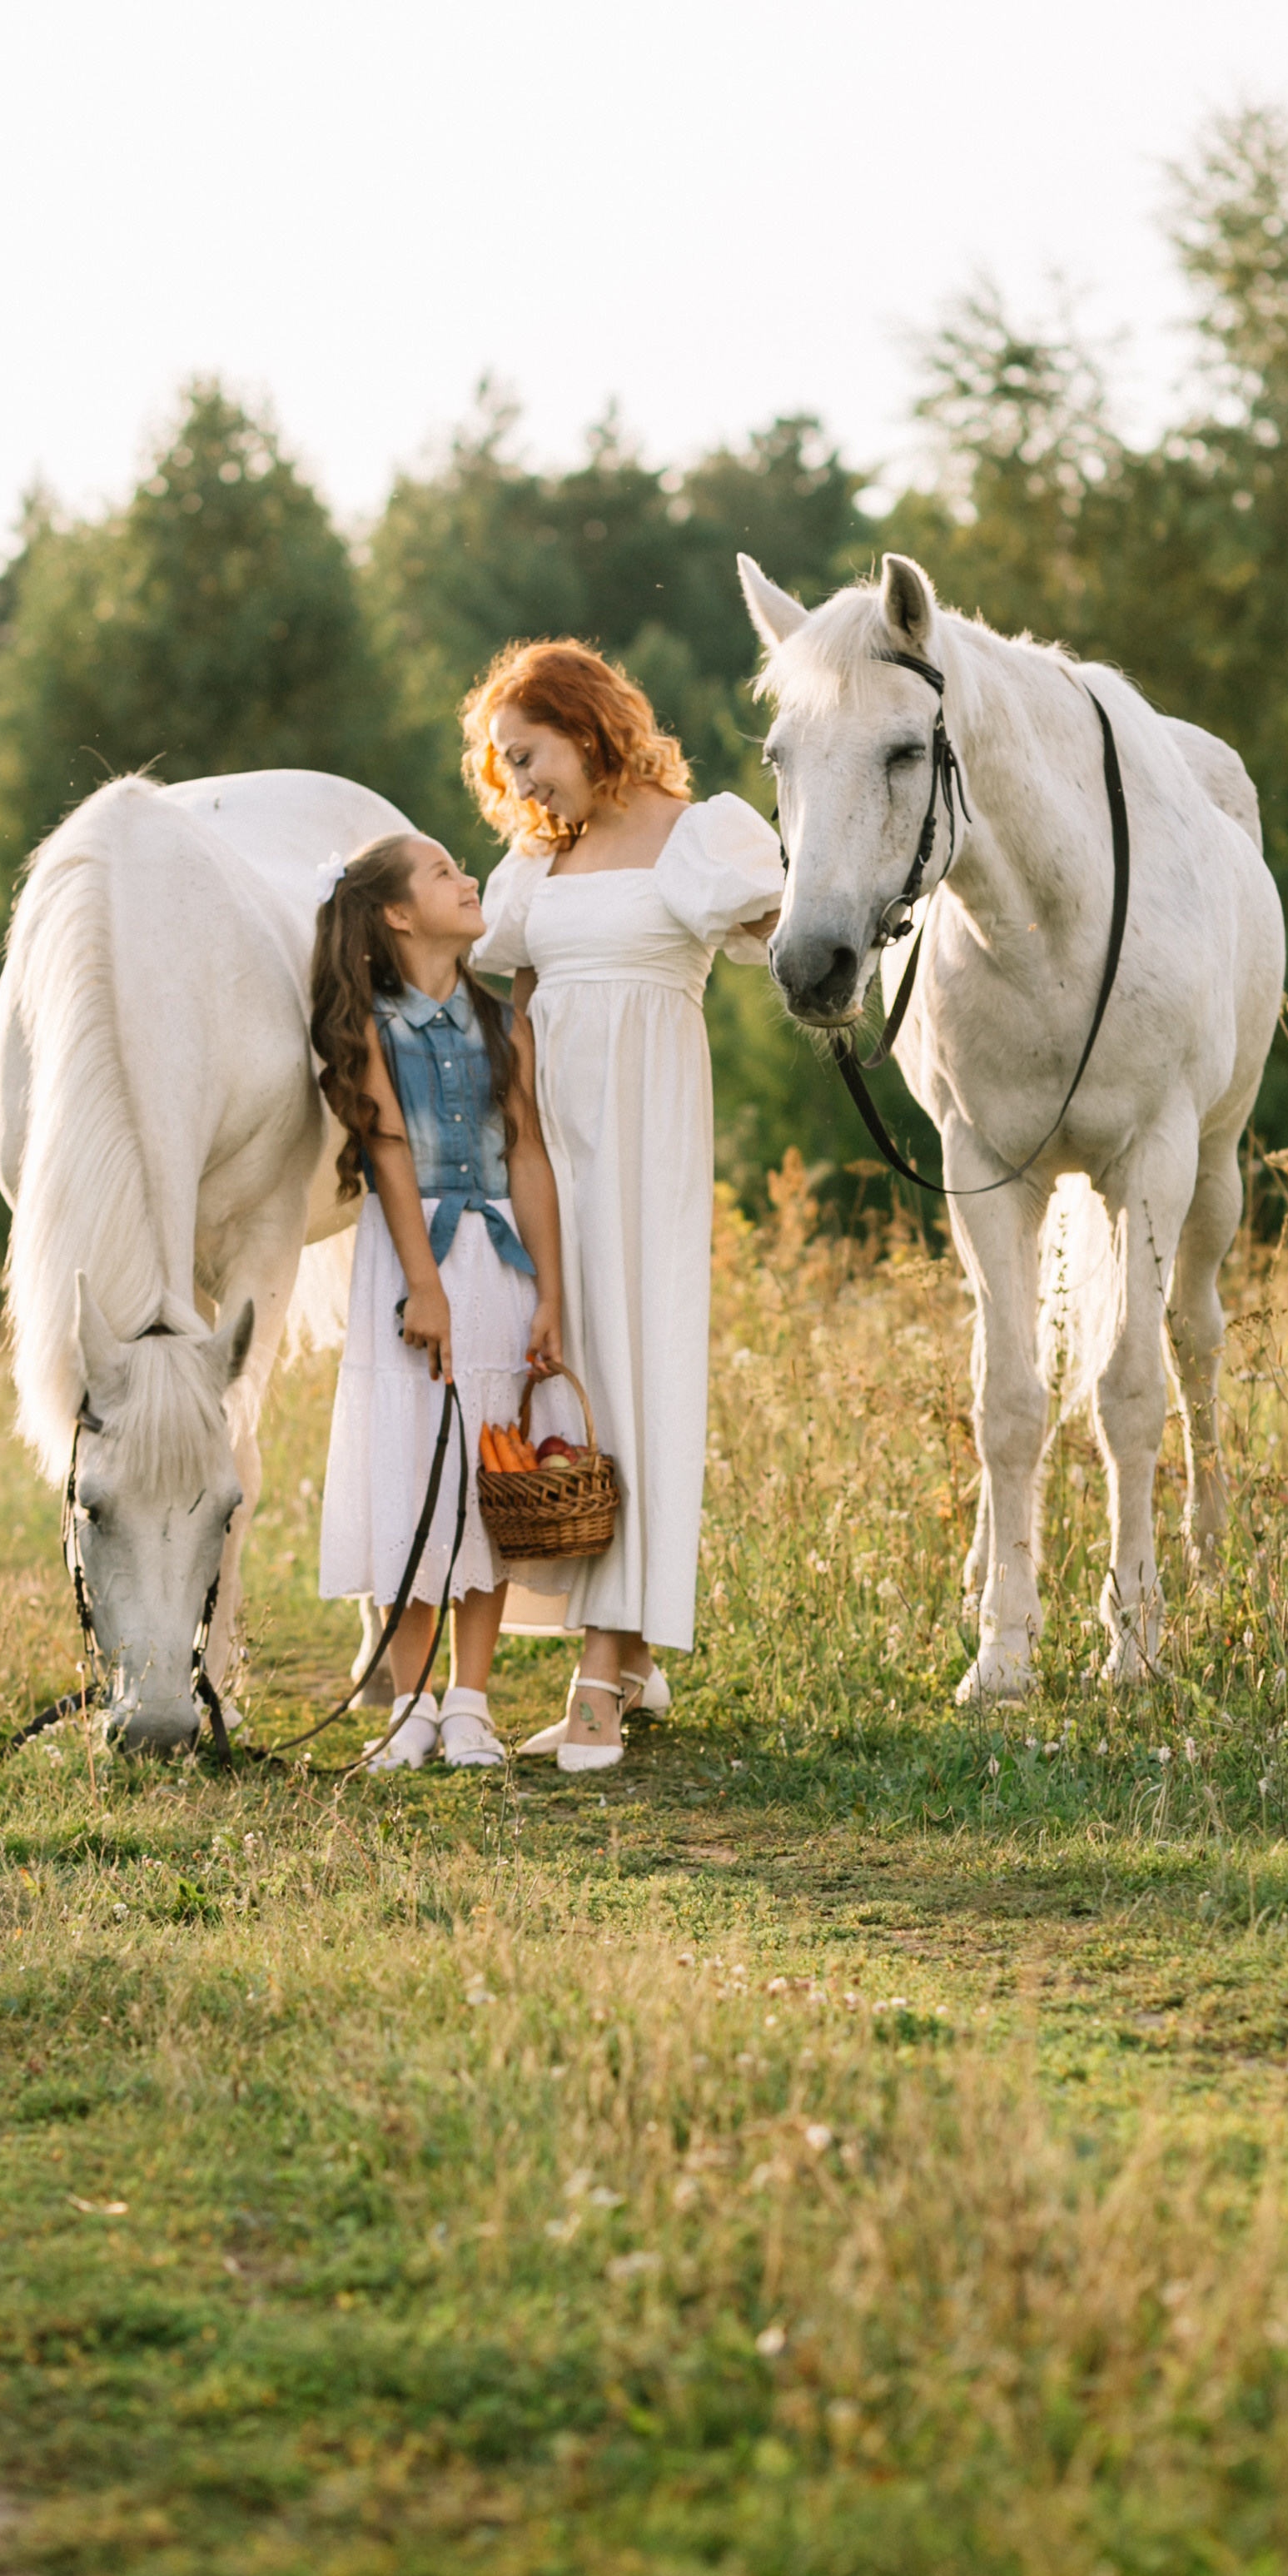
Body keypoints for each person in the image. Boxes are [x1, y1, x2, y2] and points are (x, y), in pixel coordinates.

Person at [463, 641, 782, 1770]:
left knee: (635, 1375)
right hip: (548, 1161)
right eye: (500, 764)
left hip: (644, 1143)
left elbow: (783, 936)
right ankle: (621, 1653)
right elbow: (496, 991)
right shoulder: (529, 868)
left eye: (526, 753)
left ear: (585, 723)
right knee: (569, 1387)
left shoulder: (697, 835)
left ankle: (601, 1676)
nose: (515, 781)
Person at [311, 831, 565, 1771]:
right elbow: (388, 1154)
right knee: (414, 1464)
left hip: (495, 1261)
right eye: (445, 873)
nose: (468, 881)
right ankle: (409, 1707)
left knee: (484, 1469)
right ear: (396, 914)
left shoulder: (504, 1022)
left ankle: (469, 1703)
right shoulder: (371, 1027)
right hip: (414, 1259)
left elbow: (528, 1155)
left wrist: (548, 1291)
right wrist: (423, 1285)